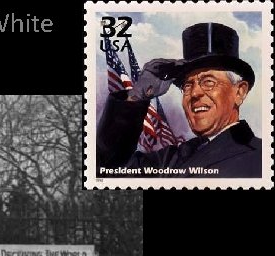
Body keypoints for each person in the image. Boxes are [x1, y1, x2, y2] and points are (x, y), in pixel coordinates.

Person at [97, 22, 261, 177]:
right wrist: (137, 96)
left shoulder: (262, 157)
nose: (194, 93)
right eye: (188, 85)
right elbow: (107, 171)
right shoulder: (169, 160)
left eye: (208, 82)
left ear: (239, 92)